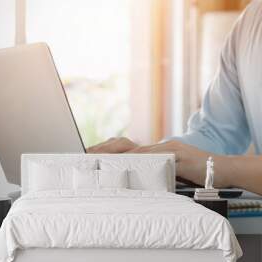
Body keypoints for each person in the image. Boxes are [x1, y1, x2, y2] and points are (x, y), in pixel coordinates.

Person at [88, 0, 262, 195]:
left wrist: (221, 168)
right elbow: (215, 135)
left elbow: (213, 162)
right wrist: (149, 158)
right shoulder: (251, 20)